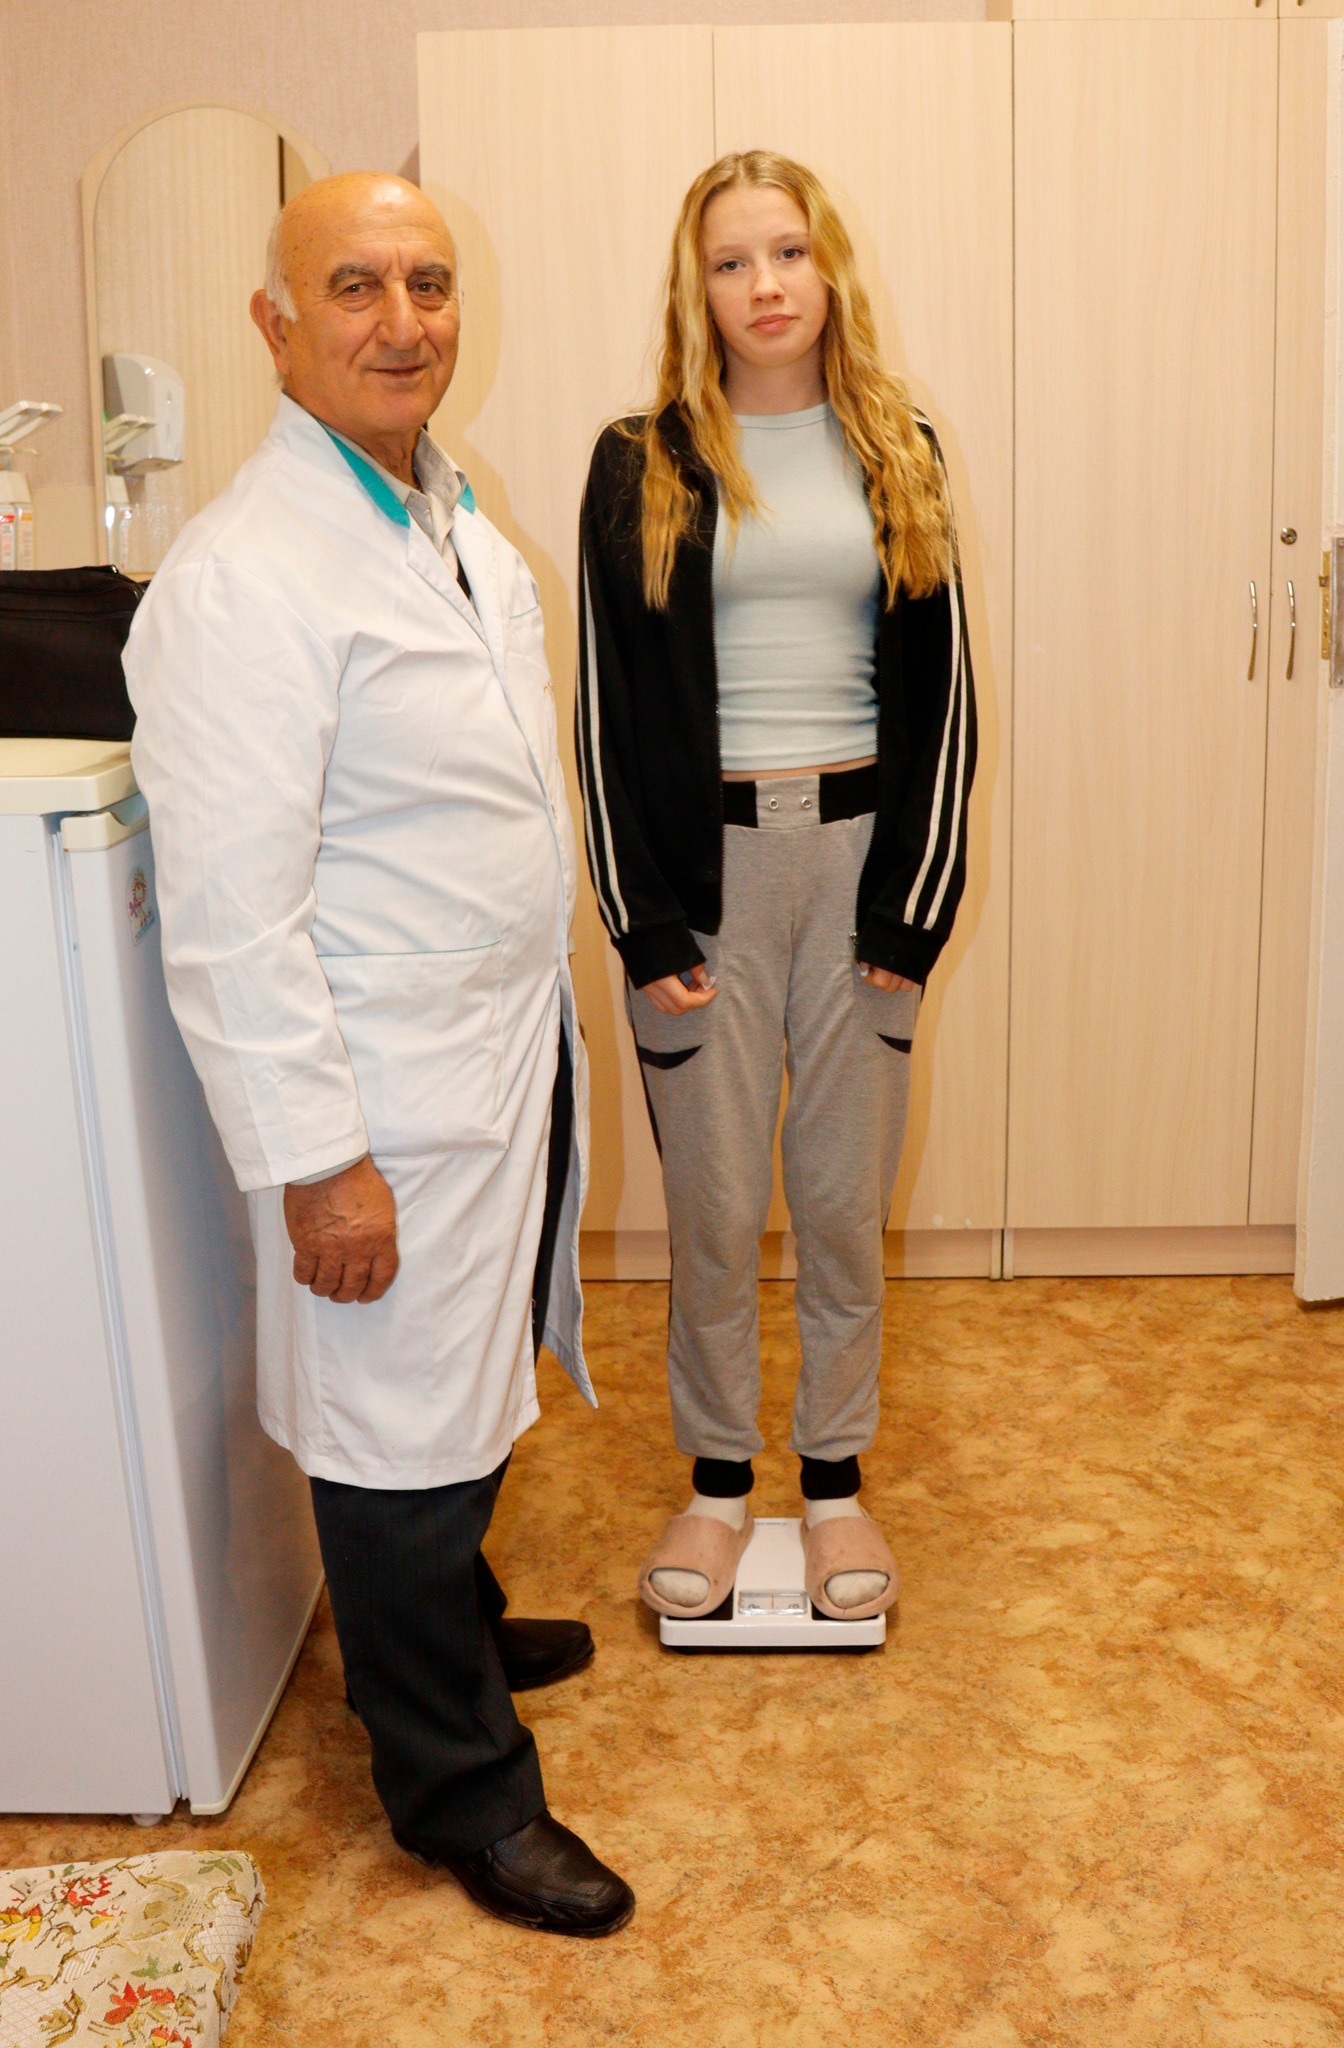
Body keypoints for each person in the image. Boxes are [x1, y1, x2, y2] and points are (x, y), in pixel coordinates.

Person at [126, 173, 633, 1937]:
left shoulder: (445, 514)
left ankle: (456, 1628)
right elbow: (228, 918)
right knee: (393, 1437)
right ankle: (458, 1786)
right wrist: (320, 1162)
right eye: (355, 286)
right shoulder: (244, 580)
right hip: (385, 1094)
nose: (402, 321)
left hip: (496, 1049)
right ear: (275, 326)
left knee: (465, 1378)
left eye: (428, 282)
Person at [576, 151, 975, 1625]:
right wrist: (642, 921)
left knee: (841, 1203)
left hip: (860, 866)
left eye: (789, 253)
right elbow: (603, 709)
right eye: (732, 261)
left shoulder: (898, 444)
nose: (765, 286)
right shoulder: (640, 459)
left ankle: (835, 1486)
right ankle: (716, 1489)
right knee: (716, 1205)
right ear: (699, 290)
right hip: (705, 883)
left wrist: (912, 908)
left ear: (828, 269)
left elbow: (947, 696)